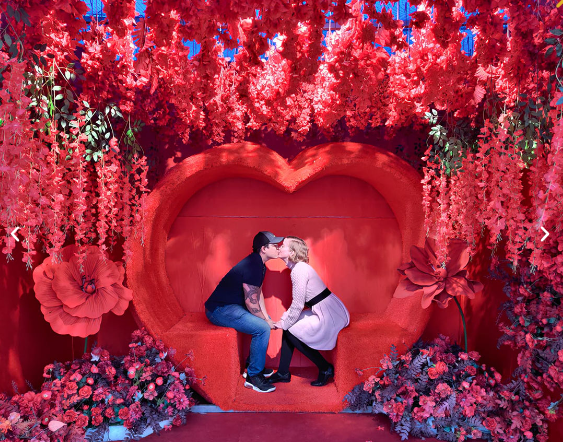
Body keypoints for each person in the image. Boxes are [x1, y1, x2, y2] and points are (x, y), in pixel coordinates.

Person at [204, 231, 283, 393]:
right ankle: (253, 376)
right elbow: (250, 301)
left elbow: (257, 293)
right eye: (274, 245)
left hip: (234, 306)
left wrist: (266, 316)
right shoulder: (253, 264)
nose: (277, 248)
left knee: (264, 322)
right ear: (263, 249)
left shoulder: (260, 264)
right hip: (219, 309)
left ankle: (252, 364)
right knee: (262, 328)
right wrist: (265, 322)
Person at [269, 236, 350, 386]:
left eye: (283, 245)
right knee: (288, 326)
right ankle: (283, 372)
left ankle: (324, 367)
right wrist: (285, 320)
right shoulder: (298, 268)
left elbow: (298, 304)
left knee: (289, 327)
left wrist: (284, 322)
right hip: (324, 309)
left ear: (292, 252)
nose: (279, 247)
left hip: (330, 314)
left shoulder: (298, 270)